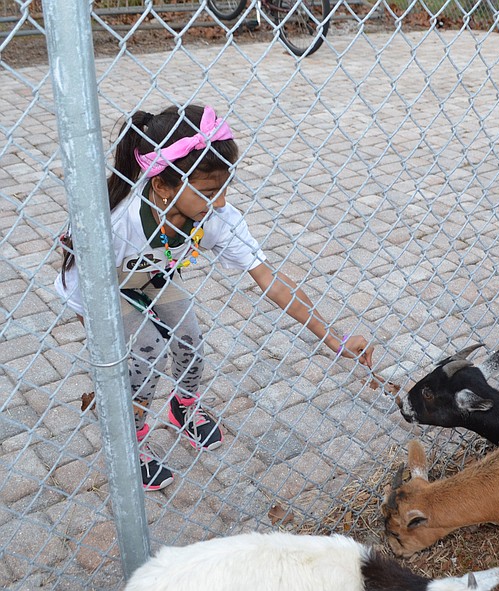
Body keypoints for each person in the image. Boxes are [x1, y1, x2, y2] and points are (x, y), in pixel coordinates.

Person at [55, 104, 374, 491]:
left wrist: (333, 338)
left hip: (153, 277)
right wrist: (104, 343)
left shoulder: (216, 216)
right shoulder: (117, 222)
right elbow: (77, 289)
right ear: (162, 186)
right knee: (146, 350)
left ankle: (183, 408)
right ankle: (129, 440)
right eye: (209, 192)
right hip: (107, 289)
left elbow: (269, 279)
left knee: (189, 337)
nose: (221, 202)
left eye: (225, 188)